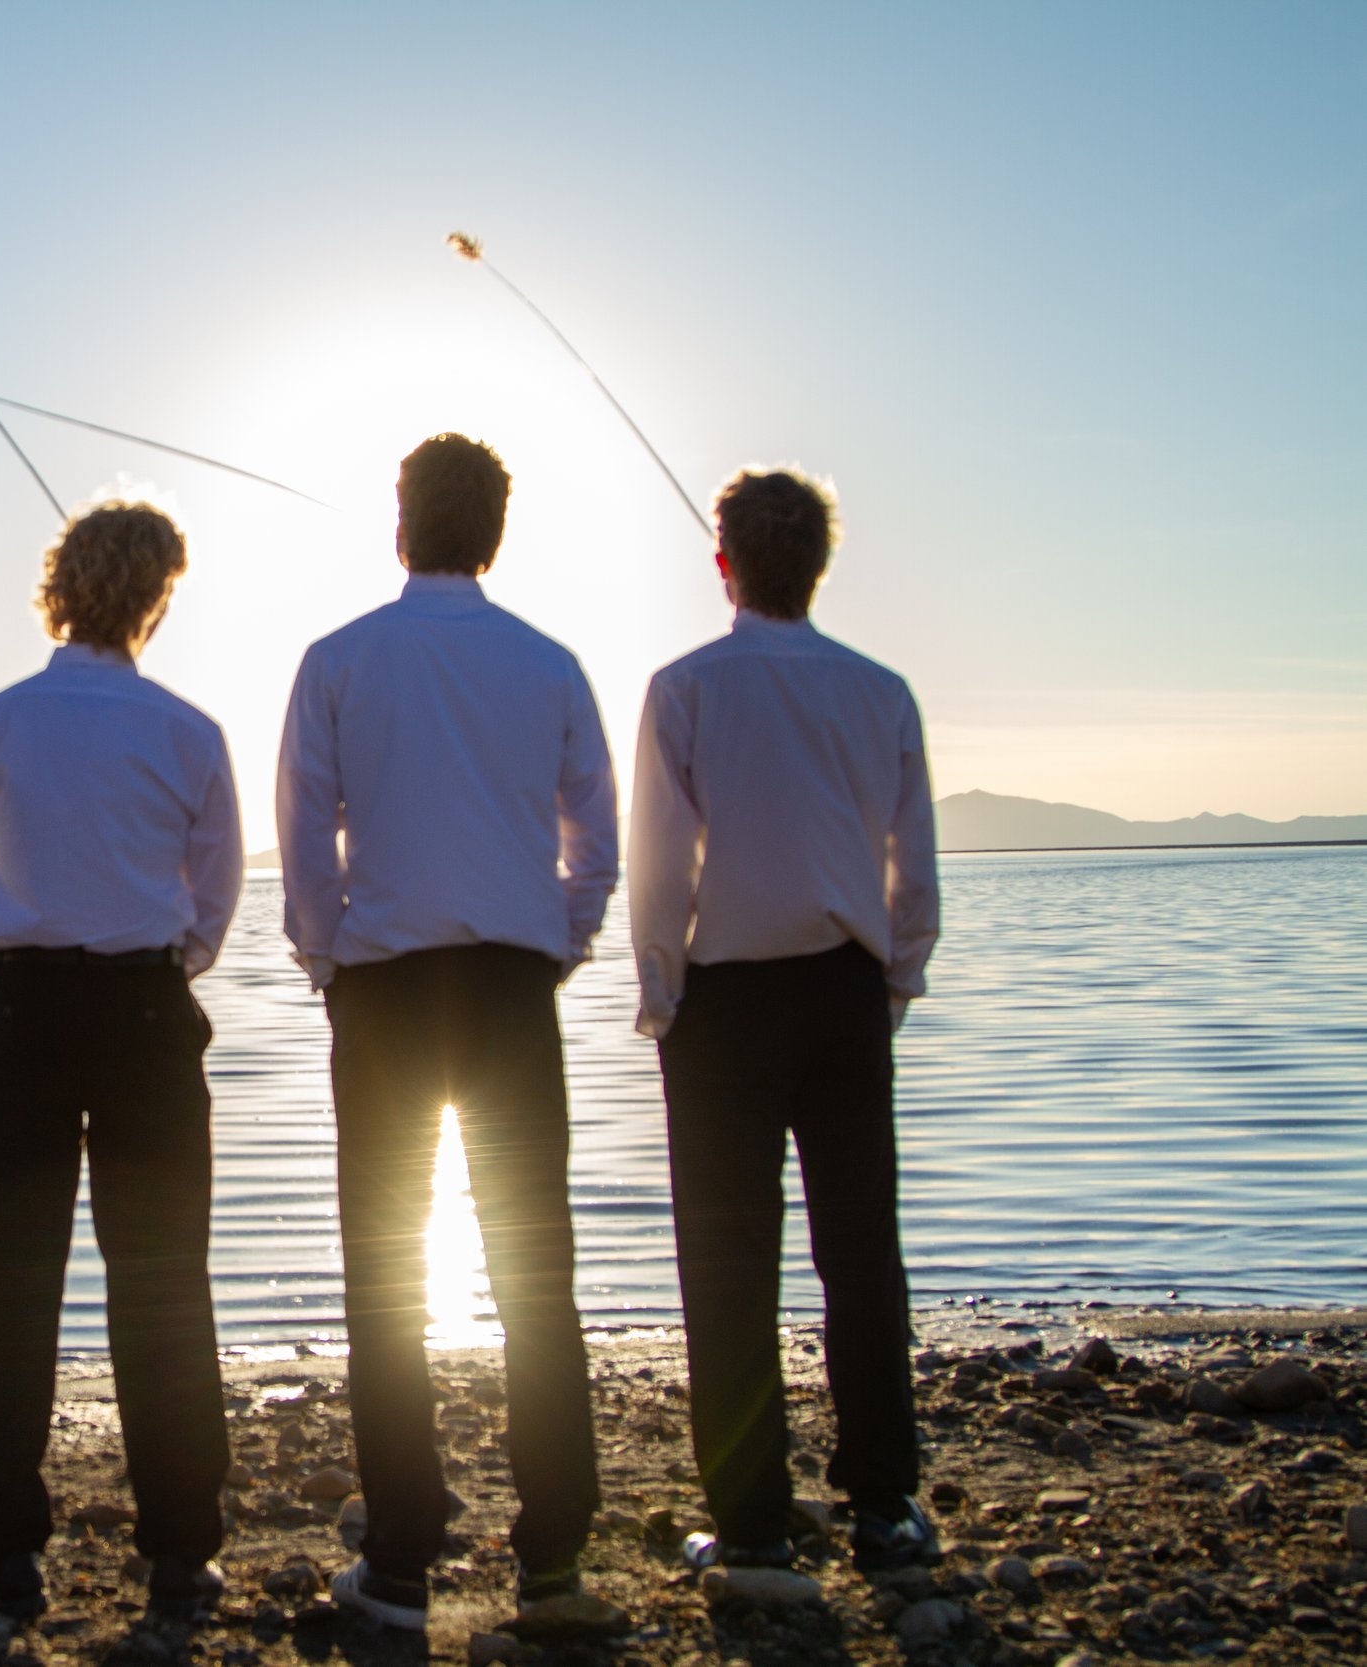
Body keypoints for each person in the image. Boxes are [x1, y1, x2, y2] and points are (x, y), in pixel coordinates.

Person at [277, 434, 618, 1632]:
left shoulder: (337, 660)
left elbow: (304, 840)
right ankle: (554, 1561)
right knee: (537, 1275)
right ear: (496, 532)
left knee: (385, 1278)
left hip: (383, 991)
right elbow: (597, 846)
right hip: (513, 987)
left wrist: (329, 964)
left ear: (400, 521)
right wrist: (554, 947)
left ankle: (405, 1563)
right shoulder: (550, 664)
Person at [626, 467, 941, 1574]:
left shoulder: (683, 688)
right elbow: (913, 869)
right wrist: (891, 983)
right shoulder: (880, 691)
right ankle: (884, 1505)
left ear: (725, 563)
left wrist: (659, 989)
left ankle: (755, 1518)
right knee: (862, 1253)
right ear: (817, 564)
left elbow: (659, 863)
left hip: (724, 1002)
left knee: (726, 1261)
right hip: (847, 991)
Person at [0, 502, 242, 1622]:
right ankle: (177, 1547)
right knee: (162, 1280)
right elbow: (211, 906)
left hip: (24, 1015)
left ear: (58, 586)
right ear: (156, 595)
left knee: (10, 1286)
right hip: (145, 1016)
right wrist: (150, 974)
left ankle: (7, 1553)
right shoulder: (187, 731)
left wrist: (16, 994)